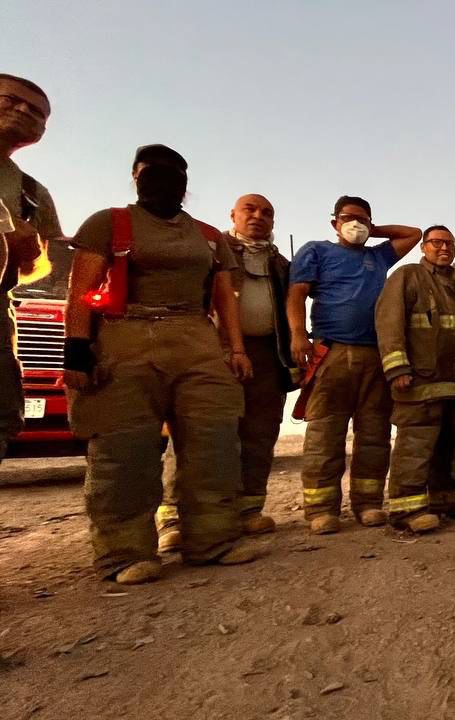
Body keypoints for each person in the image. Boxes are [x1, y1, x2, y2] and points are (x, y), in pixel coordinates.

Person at [63, 144, 260, 584]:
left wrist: (236, 349)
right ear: (135, 175)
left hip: (195, 338)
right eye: (153, 170)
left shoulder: (209, 237)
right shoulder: (108, 223)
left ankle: (212, 540)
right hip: (125, 338)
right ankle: (124, 553)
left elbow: (223, 297)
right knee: (124, 450)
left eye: (175, 172)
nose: (165, 178)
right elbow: (80, 290)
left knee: (214, 442)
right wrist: (76, 348)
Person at [155, 194, 296, 551]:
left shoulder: (280, 263)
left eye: (267, 212)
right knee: (199, 432)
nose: (258, 217)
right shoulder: (209, 251)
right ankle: (173, 517)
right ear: (232, 214)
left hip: (267, 354)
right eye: (250, 210)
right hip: (211, 352)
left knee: (260, 432)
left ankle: (247, 510)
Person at [288, 196, 421, 534]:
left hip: (375, 356)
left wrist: (373, 230)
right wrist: (298, 334)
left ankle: (368, 504)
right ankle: (321, 509)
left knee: (375, 435)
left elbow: (414, 233)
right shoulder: (316, 251)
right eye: (349, 218)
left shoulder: (377, 256)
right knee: (325, 434)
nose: (356, 224)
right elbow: (296, 293)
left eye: (363, 219)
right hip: (332, 353)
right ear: (334, 222)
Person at [376, 225, 455, 533]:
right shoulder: (407, 276)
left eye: (449, 243)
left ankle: (449, 501)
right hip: (420, 381)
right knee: (417, 444)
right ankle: (405, 510)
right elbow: (389, 323)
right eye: (437, 242)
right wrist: (397, 368)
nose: (444, 248)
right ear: (423, 247)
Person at [0, 74, 60, 461]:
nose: (24, 112)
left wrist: (28, 252)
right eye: (12, 101)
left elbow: (42, 268)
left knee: (3, 417)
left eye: (38, 113)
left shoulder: (32, 193)